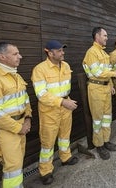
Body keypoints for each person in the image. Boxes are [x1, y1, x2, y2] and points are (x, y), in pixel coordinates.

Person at [0, 42, 32, 187]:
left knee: (17, 165)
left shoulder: (16, 77)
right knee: (12, 169)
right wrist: (18, 128)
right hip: (5, 131)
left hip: (21, 127)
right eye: (15, 54)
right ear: (2, 57)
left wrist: (27, 119)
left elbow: (26, 101)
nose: (20, 56)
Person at [31, 40, 78, 185]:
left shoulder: (66, 65)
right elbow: (41, 94)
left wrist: (66, 101)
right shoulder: (39, 70)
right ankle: (45, 171)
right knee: (48, 142)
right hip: (49, 111)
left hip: (65, 107)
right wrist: (63, 102)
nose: (63, 53)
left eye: (63, 50)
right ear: (50, 53)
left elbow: (64, 87)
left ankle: (65, 157)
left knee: (65, 136)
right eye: (59, 51)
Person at [82, 27, 116, 160]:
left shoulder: (104, 54)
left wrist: (110, 85)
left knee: (106, 118)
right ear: (97, 36)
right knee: (98, 119)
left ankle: (106, 141)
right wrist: (114, 74)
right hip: (96, 89)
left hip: (105, 89)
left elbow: (106, 73)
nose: (107, 38)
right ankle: (98, 145)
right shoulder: (92, 52)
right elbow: (97, 72)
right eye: (104, 35)